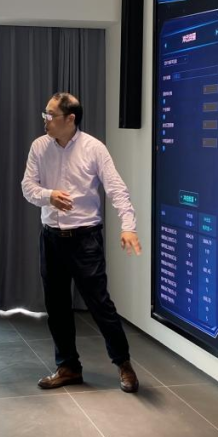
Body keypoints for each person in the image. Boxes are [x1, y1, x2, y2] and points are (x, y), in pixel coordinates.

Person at [21, 92, 143, 393]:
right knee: (57, 306)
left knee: (100, 304)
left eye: (51, 115)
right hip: (51, 238)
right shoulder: (39, 147)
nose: (45, 120)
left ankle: (123, 363)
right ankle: (68, 367)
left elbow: (116, 189)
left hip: (85, 239)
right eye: (45, 114)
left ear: (70, 118)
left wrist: (128, 227)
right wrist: (49, 196)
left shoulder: (94, 148)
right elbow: (28, 187)